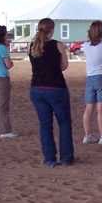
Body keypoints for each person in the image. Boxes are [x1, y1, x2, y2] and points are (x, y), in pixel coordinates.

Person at [29, 18, 74, 168]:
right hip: (56, 87)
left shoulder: (33, 46)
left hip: (37, 88)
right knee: (64, 122)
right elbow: (64, 66)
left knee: (45, 125)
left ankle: (49, 158)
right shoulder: (58, 45)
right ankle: (66, 157)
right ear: (52, 30)